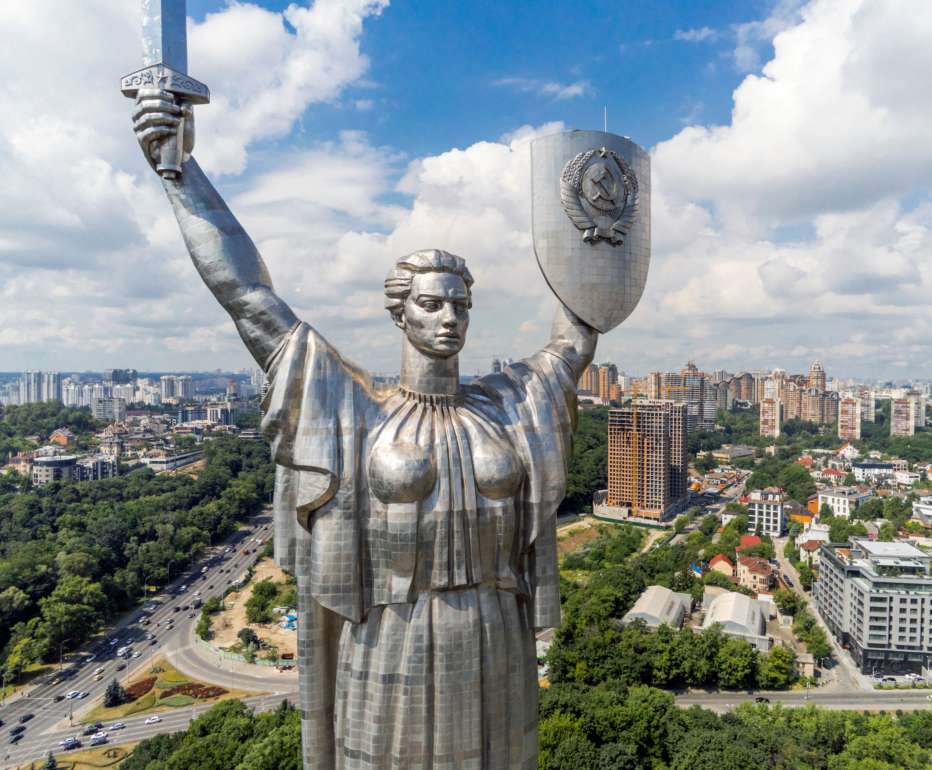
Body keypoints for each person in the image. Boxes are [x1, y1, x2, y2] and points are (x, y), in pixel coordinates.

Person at [132, 89, 599, 770]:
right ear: (400, 314)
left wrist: (592, 224)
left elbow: (579, 332)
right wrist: (179, 171)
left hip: (497, 636)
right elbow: (247, 295)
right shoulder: (355, 409)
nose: (449, 319)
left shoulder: (510, 402)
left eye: (460, 305)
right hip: (391, 639)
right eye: (431, 304)